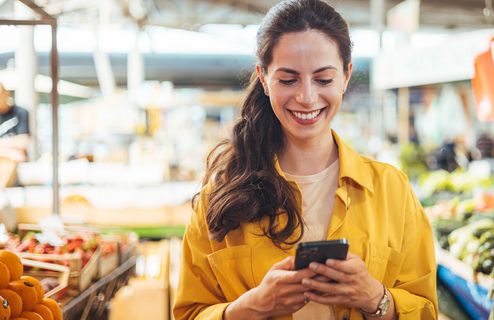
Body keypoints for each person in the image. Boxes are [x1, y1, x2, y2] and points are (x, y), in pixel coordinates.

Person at [173, 1, 437, 319]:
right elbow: (189, 312)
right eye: (288, 80)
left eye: (323, 79)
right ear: (264, 77)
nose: (307, 97)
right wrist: (251, 308)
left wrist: (374, 297)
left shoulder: (391, 190)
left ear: (346, 75)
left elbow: (425, 310)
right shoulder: (221, 193)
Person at [0, 83, 30, 163]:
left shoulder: (20, 112)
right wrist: (8, 152)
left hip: (15, 164)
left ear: (7, 94)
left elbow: (24, 142)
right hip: (11, 155)